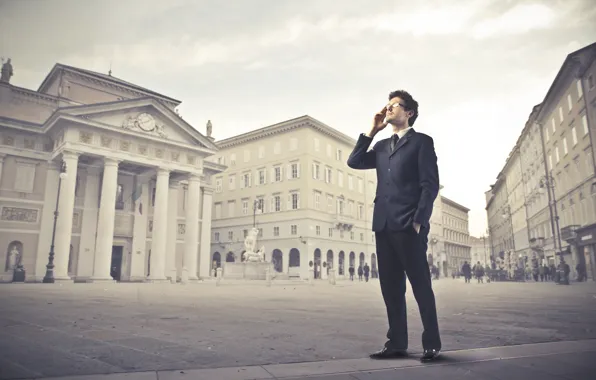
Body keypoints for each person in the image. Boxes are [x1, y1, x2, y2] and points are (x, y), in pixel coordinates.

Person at [347, 90, 441, 362]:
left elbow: (429, 184)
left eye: (394, 106)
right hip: (384, 224)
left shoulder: (422, 142)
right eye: (386, 106)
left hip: (409, 224)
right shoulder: (380, 147)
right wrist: (372, 131)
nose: (388, 109)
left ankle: (432, 343)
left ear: (409, 112)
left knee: (420, 285)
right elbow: (353, 161)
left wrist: (419, 221)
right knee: (390, 287)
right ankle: (397, 343)